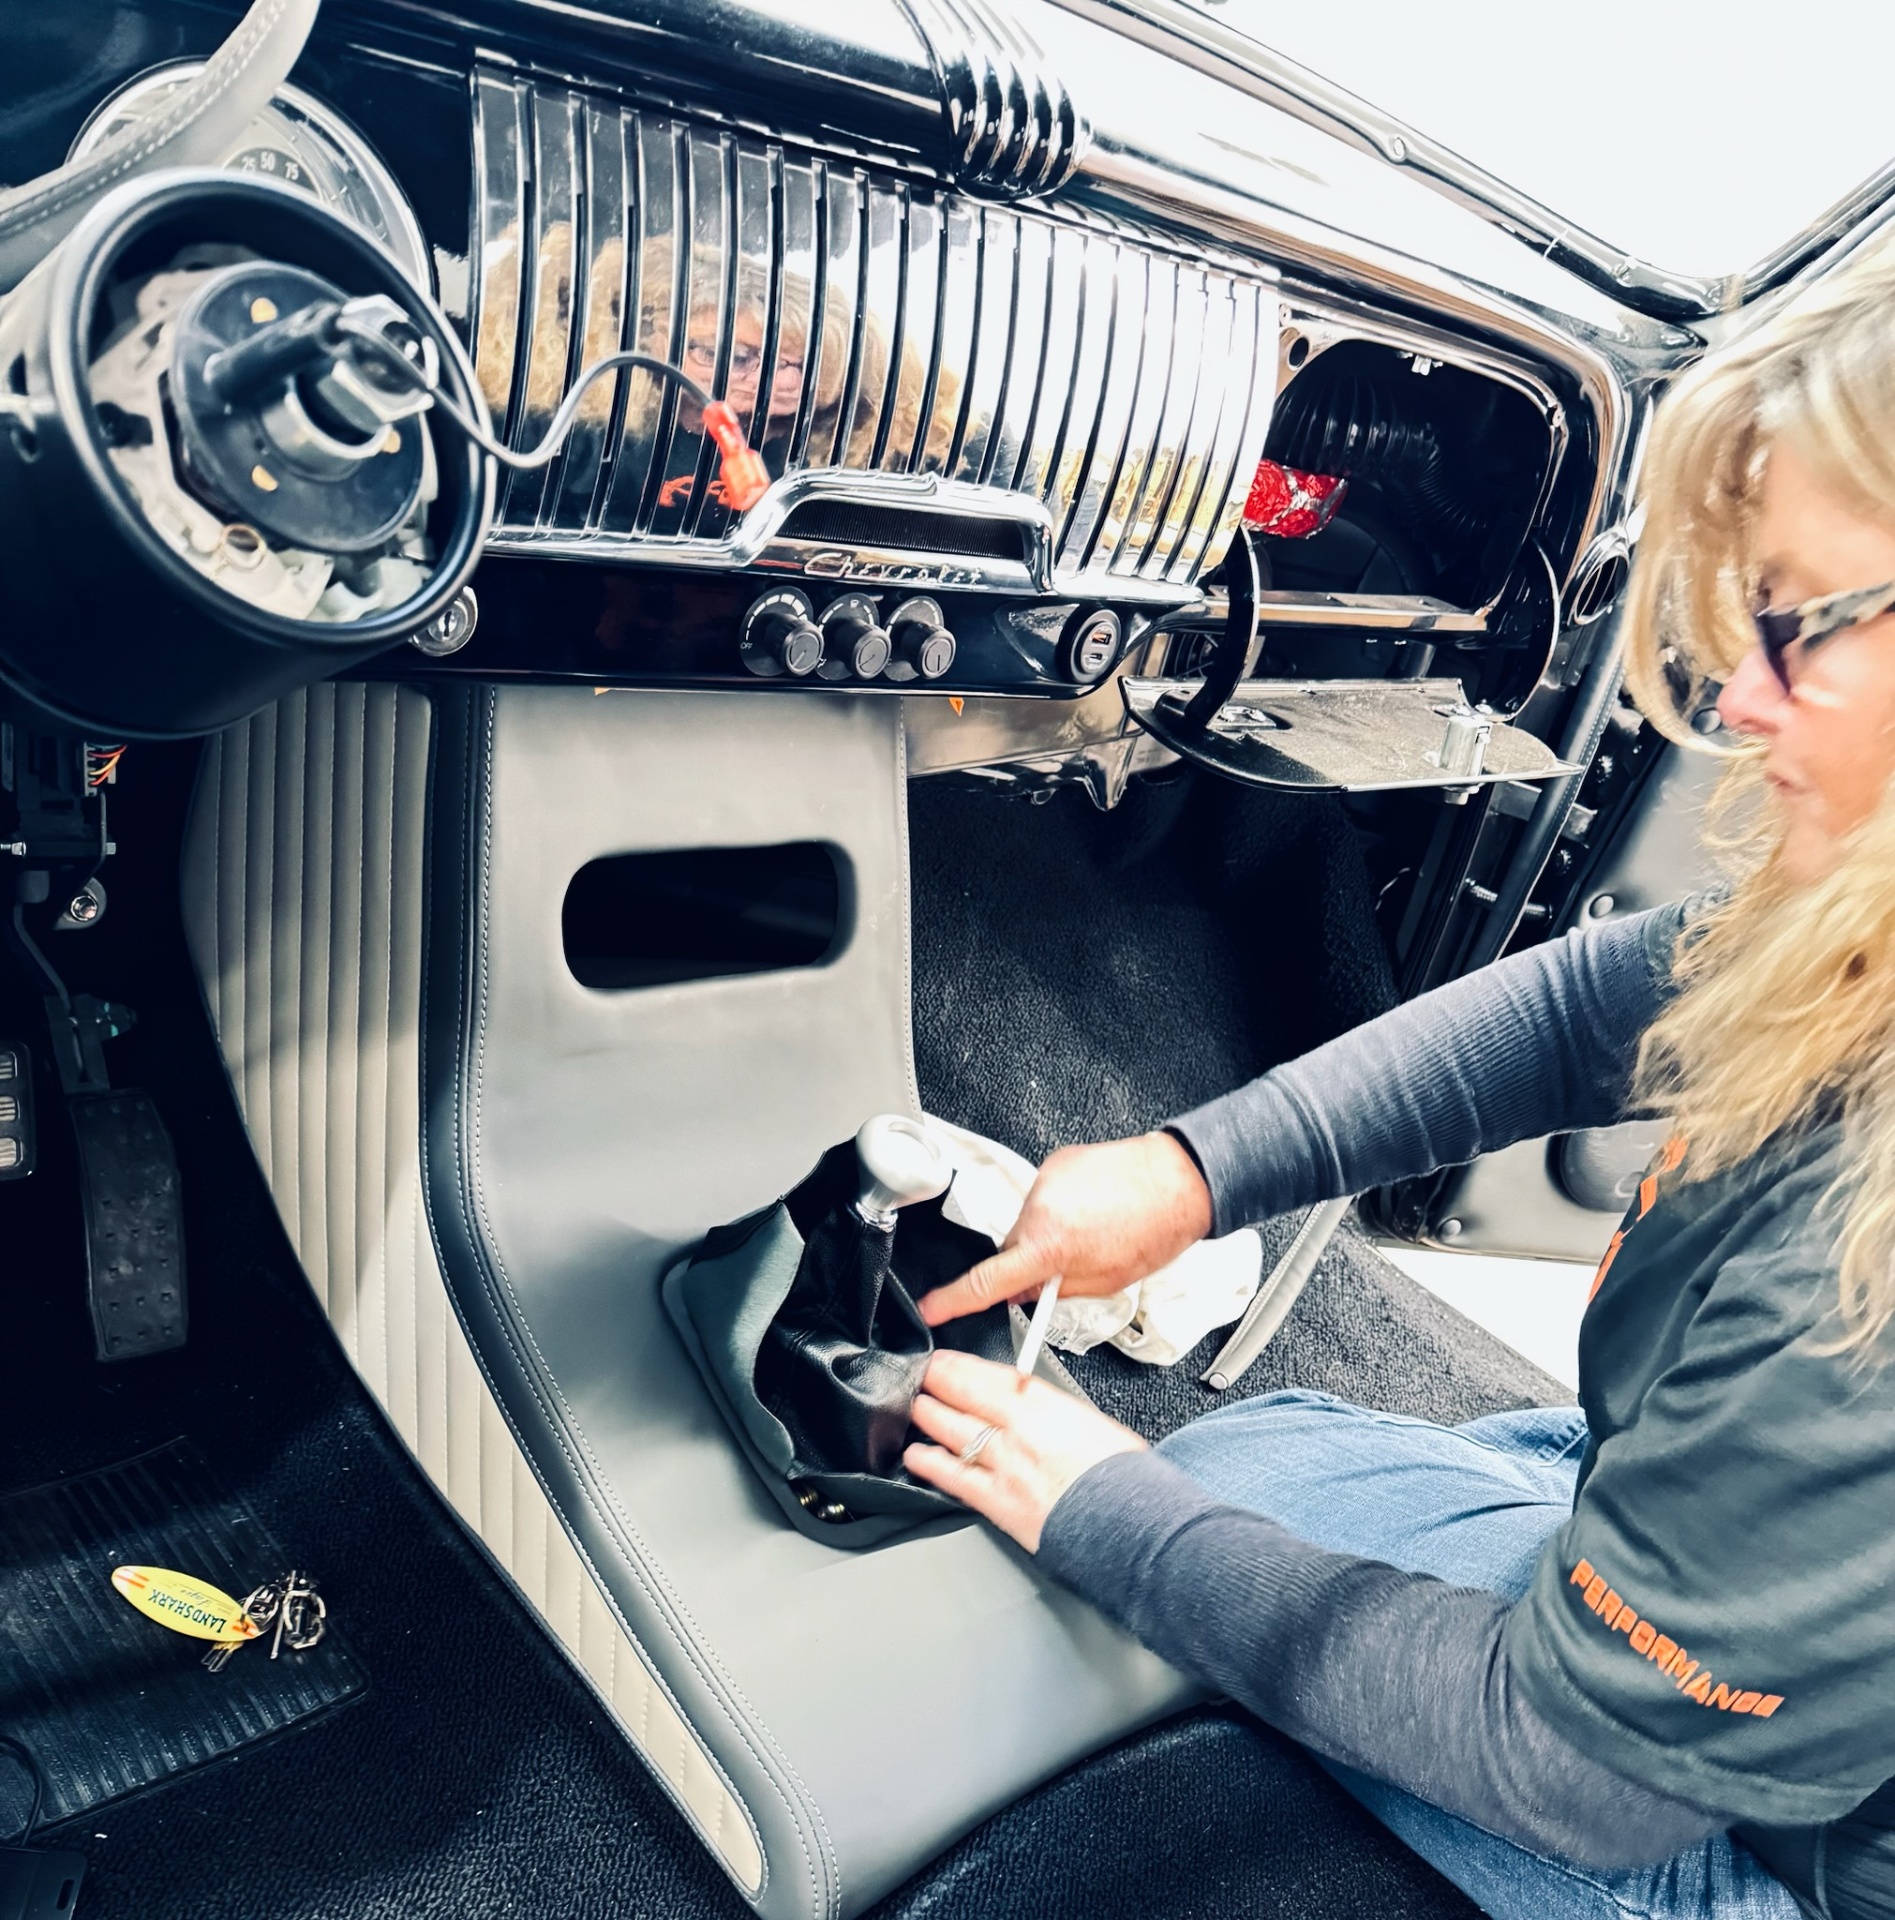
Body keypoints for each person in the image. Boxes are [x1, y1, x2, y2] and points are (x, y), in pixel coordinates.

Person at [903, 233, 1895, 1920]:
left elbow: (1563, 1775)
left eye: (1798, 623)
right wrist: (1193, 1168)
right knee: (1274, 1467)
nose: (1736, 695)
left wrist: (1099, 1507)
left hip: (1761, 1857)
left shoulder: (1855, 1312)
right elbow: (1594, 1004)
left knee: (1207, 1482)